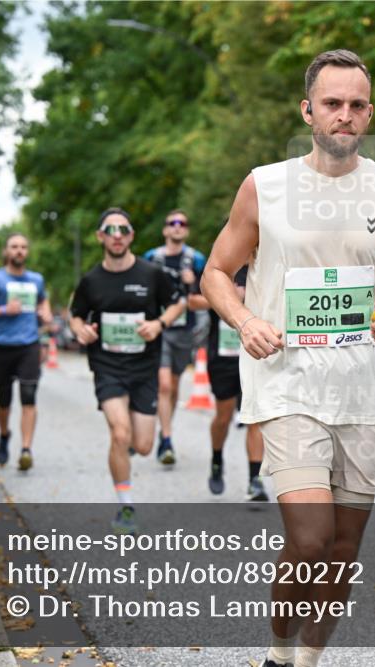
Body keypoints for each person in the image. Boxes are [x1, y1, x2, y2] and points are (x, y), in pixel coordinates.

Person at [200, 49, 375, 667]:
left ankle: (307, 660)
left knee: (343, 550)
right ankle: (277, 653)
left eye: (356, 105)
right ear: (307, 109)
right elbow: (215, 272)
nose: (344, 115)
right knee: (310, 540)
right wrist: (246, 319)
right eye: (333, 104)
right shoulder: (265, 185)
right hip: (288, 385)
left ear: (370, 114)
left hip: (368, 390)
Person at [69, 208, 184, 534]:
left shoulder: (151, 274)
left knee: (144, 445)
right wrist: (81, 330)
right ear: (100, 237)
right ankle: (126, 506)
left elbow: (179, 302)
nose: (117, 235)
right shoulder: (91, 280)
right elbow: (74, 314)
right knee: (120, 433)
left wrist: (158, 324)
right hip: (107, 367)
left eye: (123, 229)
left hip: (144, 368)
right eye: (110, 229)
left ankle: (129, 448)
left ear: (131, 236)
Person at [0, 233, 52, 471]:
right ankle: (4, 434)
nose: (19, 251)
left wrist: (45, 312)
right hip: (2, 345)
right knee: (4, 399)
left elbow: (43, 300)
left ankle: (26, 449)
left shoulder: (36, 279)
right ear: (7, 251)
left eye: (23, 247)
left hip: (29, 343)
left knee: (29, 395)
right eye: (14, 247)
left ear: (27, 252)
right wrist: (4, 309)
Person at [188, 263, 268, 501]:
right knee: (223, 417)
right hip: (222, 356)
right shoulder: (217, 266)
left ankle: (255, 480)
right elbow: (193, 301)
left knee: (255, 418)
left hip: (255, 354)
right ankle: (216, 458)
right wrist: (227, 300)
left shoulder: (262, 266)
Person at [142, 209, 206, 466]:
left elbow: (208, 296)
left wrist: (192, 284)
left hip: (184, 330)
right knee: (164, 385)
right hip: (159, 329)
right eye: (172, 223)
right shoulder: (151, 258)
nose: (177, 227)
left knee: (174, 387)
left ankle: (164, 432)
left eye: (182, 223)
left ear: (186, 230)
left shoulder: (196, 259)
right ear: (165, 230)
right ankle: (167, 440)